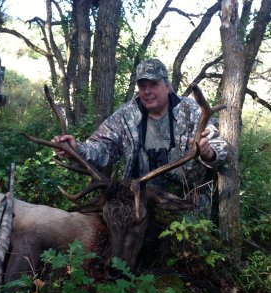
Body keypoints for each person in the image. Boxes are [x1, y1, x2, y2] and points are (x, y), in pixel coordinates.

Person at [52, 58, 228, 218]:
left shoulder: (192, 111)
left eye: (153, 84)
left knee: (192, 243)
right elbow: (102, 147)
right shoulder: (126, 115)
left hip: (185, 201)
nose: (147, 91)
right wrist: (77, 149)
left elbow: (219, 145)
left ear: (167, 86)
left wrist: (208, 153)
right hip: (138, 199)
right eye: (142, 85)